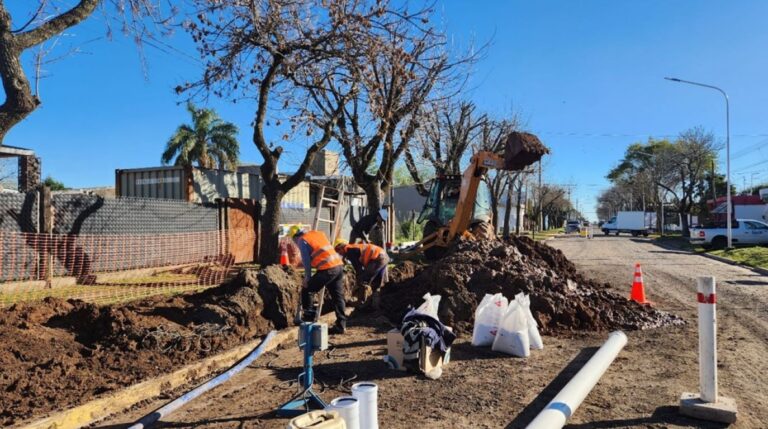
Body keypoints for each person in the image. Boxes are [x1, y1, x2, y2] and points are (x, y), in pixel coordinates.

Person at [288, 225, 346, 334]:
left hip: (327, 269)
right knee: (337, 297)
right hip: (338, 266)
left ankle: (308, 322)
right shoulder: (317, 233)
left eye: (293, 240)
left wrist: (307, 277)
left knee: (308, 290)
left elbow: (306, 260)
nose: (294, 243)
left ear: (295, 236)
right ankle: (341, 325)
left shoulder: (302, 240)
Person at [334, 239, 389, 309]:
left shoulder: (350, 250)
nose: (340, 255)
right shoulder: (353, 248)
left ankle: (361, 302)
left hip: (377, 258)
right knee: (376, 281)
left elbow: (358, 268)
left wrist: (358, 281)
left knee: (364, 280)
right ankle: (375, 304)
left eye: (339, 252)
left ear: (341, 248)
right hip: (384, 257)